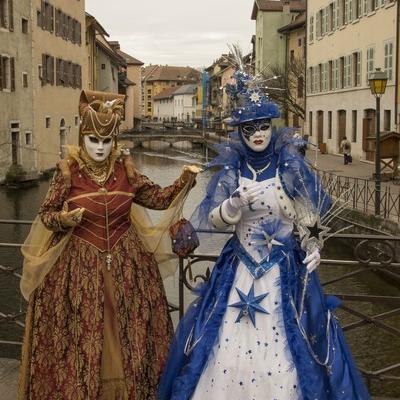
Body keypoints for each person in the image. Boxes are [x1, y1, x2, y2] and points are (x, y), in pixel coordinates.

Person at [158, 66, 370, 400]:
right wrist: (234, 203)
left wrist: (313, 245)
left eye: (263, 126)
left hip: (285, 271)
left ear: (272, 126)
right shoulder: (233, 169)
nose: (258, 134)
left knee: (293, 346)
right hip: (239, 269)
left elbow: (308, 216)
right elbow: (214, 220)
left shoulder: (290, 164)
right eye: (250, 128)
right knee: (222, 342)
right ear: (240, 131)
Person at [18, 90, 200, 400]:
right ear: (83, 138)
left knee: (130, 328)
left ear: (114, 141)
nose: (100, 148)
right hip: (77, 266)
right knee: (84, 332)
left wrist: (184, 179)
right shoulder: (67, 174)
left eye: (106, 141)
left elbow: (158, 198)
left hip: (128, 265)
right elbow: (46, 214)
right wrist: (65, 219)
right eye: (94, 141)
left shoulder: (125, 173)